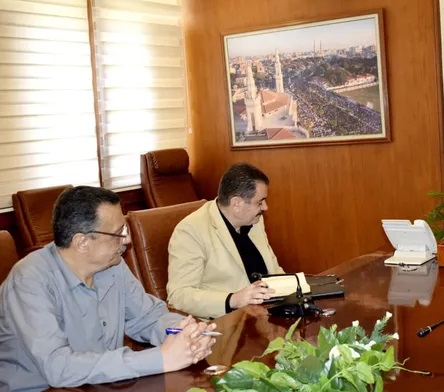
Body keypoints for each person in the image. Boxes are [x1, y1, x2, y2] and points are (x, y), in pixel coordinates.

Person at [0, 186, 217, 391]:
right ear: (82, 242)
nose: (127, 239)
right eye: (118, 233)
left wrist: (186, 334)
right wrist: (161, 358)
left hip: (102, 384)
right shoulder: (29, 282)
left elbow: (148, 317)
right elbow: (59, 367)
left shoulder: (111, 265)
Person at [167, 163, 284, 320]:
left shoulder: (253, 220)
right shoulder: (190, 231)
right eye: (260, 202)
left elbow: (274, 270)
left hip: (265, 315)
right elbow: (178, 295)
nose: (265, 207)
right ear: (236, 204)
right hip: (227, 323)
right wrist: (233, 300)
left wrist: (295, 289)